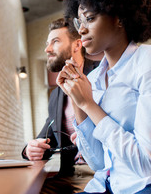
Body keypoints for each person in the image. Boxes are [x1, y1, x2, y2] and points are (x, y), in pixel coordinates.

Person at [58, 0, 151, 194]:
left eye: (90, 18)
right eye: (78, 22)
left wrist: (89, 104)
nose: (82, 29)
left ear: (120, 18)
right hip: (109, 185)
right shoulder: (94, 78)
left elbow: (148, 164)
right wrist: (76, 99)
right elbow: (98, 163)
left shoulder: (149, 60)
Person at [22, 18, 100, 193]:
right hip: (70, 176)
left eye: (55, 41)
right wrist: (31, 149)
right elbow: (45, 139)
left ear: (77, 45)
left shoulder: (102, 74)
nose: (47, 49)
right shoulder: (57, 94)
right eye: (47, 43)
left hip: (102, 174)